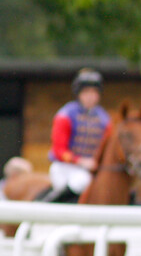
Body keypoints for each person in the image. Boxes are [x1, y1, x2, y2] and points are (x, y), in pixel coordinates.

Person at [43, 68, 111, 203]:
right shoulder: (66, 114)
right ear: (79, 94)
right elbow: (58, 150)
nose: (90, 96)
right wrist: (80, 161)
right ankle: (47, 205)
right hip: (64, 167)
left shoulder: (105, 118)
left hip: (92, 170)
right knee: (82, 181)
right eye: (86, 92)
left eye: (94, 92)